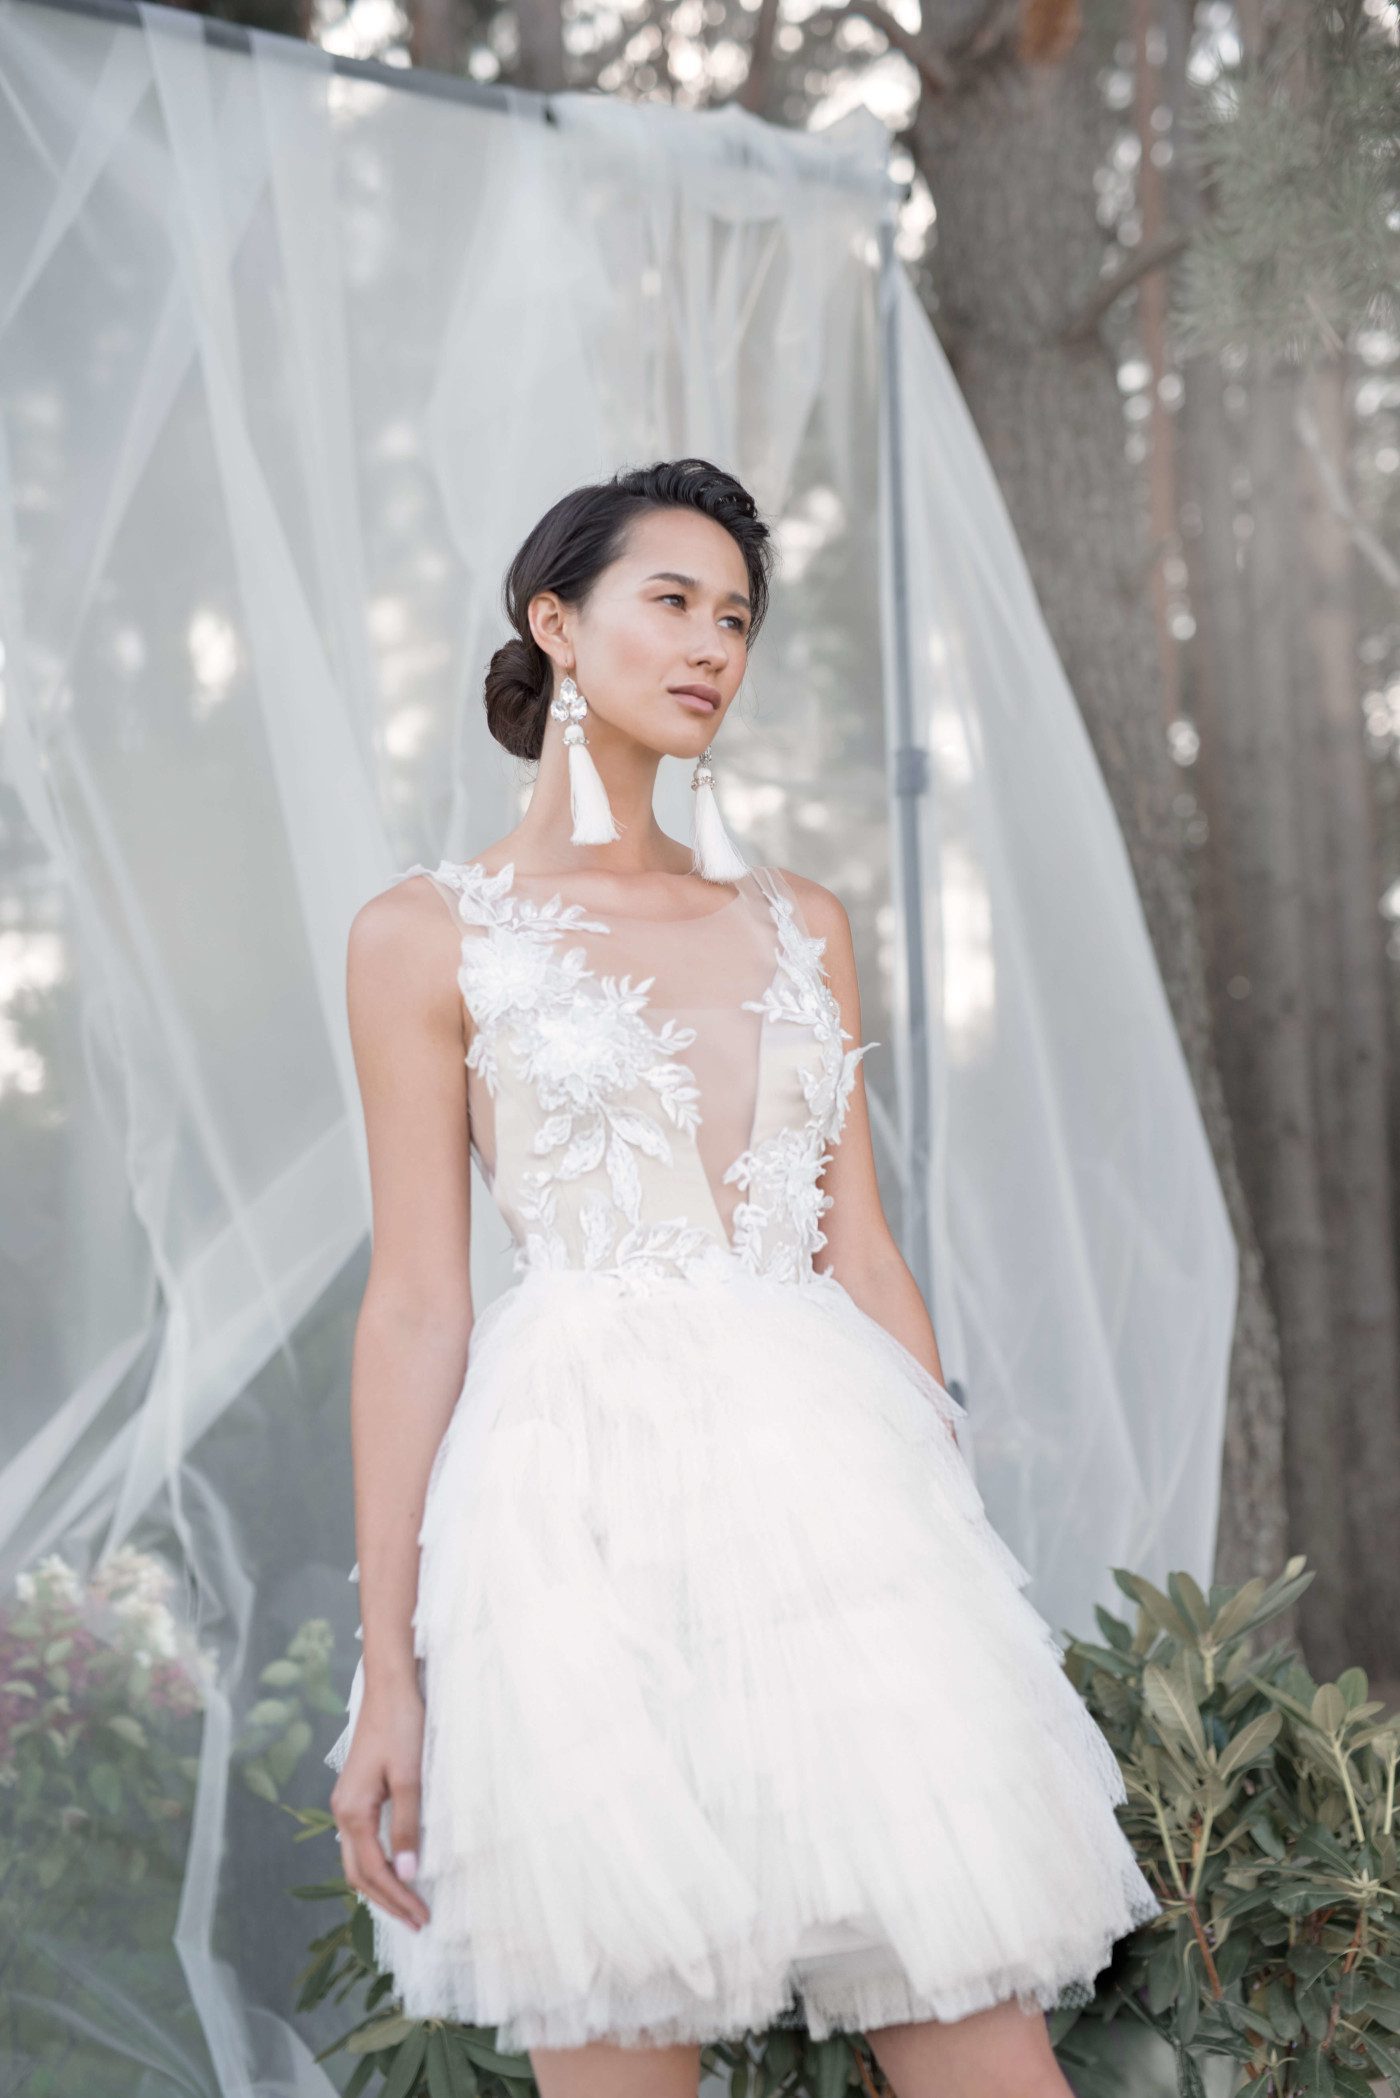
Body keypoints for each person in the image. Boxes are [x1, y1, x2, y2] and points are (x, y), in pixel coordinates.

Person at [325, 458, 1161, 2098]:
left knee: (987, 2054)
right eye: (674, 601)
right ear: (554, 624)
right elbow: (419, 1301)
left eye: (739, 617)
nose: (714, 643)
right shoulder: (426, 933)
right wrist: (395, 1668)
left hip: (834, 1521)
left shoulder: (801, 919)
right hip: (571, 1534)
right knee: (621, 2055)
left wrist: (944, 1543)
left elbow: (857, 1243)